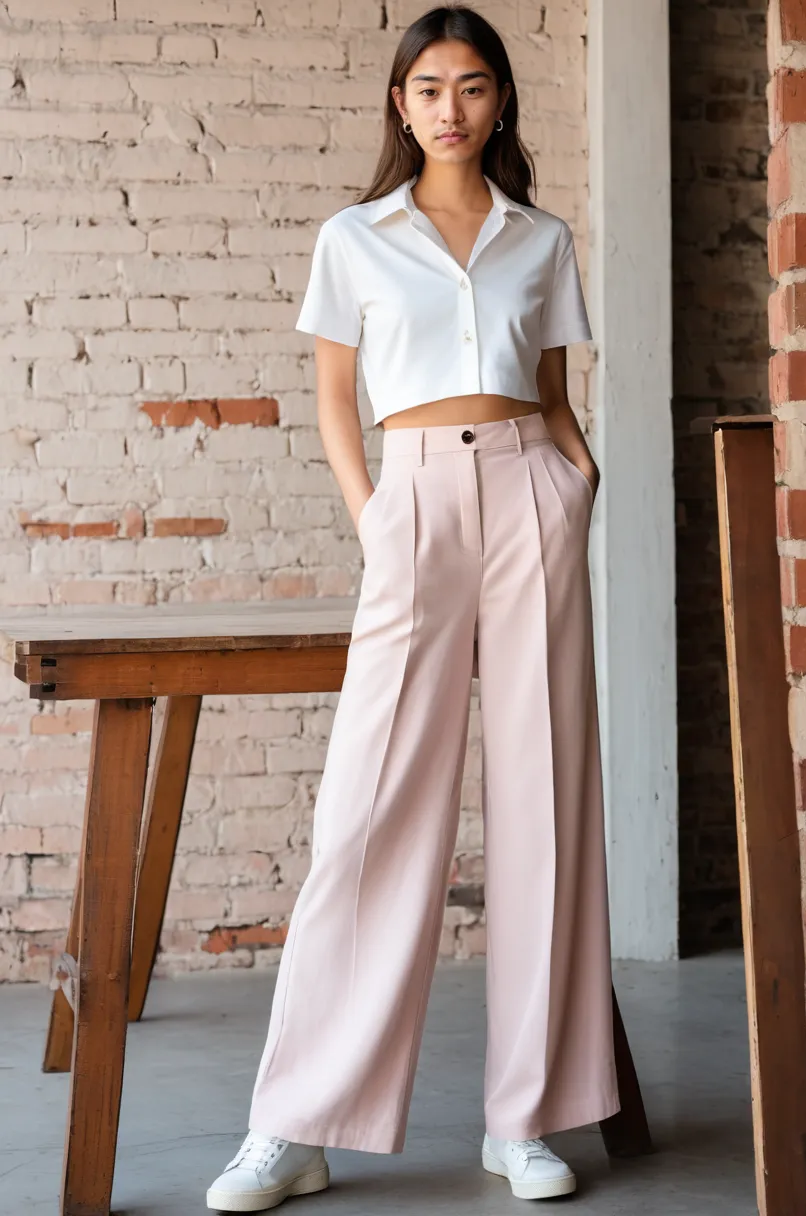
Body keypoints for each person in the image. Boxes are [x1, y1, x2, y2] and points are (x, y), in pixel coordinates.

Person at [206, 4, 620, 1210]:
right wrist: (373, 515)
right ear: (401, 103)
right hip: (415, 500)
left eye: (475, 85)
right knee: (371, 805)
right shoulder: (356, 237)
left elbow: (549, 391)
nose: (452, 107)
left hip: (530, 495)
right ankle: (294, 1122)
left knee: (544, 804)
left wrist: (575, 481)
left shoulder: (539, 239)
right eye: (430, 86)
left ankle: (524, 1115)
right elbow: (336, 399)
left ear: (499, 103)